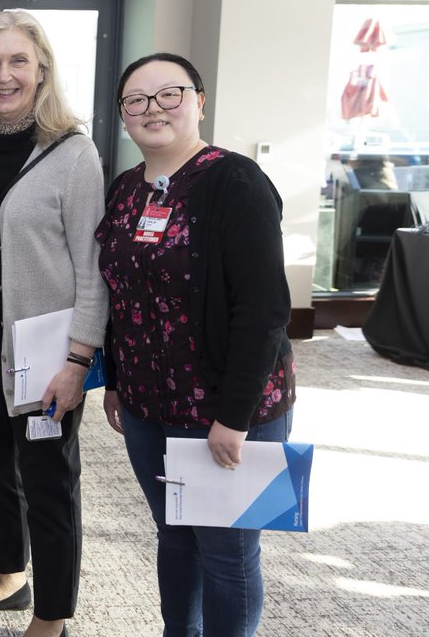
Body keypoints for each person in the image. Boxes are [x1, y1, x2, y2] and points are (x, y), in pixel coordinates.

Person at [97, 53, 295, 637]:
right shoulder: (127, 189)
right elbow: (120, 293)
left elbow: (264, 312)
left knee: (227, 555)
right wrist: (114, 378)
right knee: (175, 538)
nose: (152, 109)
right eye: (136, 100)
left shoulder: (235, 181)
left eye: (169, 94)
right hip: (145, 407)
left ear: (200, 101)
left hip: (226, 411)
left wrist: (233, 417)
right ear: (123, 116)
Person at [0, 9, 107, 637]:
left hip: (44, 353)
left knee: (48, 478)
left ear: (41, 71)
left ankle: (53, 613)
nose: (4, 74)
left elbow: (92, 269)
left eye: (17, 61)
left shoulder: (74, 153)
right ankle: (10, 573)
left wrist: (78, 359)